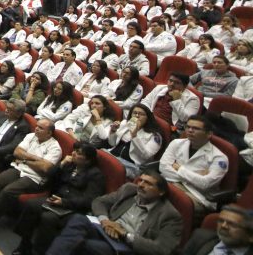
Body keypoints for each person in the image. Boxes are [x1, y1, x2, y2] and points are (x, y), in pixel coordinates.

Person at [46, 170, 183, 255]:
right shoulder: (130, 190)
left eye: (148, 183)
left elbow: (162, 250)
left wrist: (125, 234)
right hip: (106, 230)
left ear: (161, 192)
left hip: (127, 247)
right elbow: (99, 202)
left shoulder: (170, 215)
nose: (140, 185)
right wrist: (105, 221)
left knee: (80, 244)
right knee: (78, 219)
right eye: (140, 180)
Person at [12, 141, 106, 255]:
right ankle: (24, 245)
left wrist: (64, 202)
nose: (74, 154)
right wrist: (61, 165)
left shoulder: (96, 175)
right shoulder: (70, 165)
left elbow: (89, 200)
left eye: (79, 153)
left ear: (88, 160)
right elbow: (49, 176)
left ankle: (40, 251)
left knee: (48, 218)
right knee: (31, 205)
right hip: (56, 199)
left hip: (72, 208)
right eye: (74, 151)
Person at [0, 119, 63, 231]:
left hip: (34, 177)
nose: (36, 129)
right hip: (19, 168)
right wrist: (36, 158)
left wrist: (24, 160)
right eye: (37, 126)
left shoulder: (55, 148)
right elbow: (17, 152)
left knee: (7, 191)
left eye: (41, 128)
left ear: (49, 133)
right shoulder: (31, 136)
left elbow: (44, 167)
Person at [160, 115, 229, 222]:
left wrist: (179, 168)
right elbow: (163, 167)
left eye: (196, 128)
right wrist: (195, 175)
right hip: (171, 183)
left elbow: (205, 184)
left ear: (209, 134)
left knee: (164, 205)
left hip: (196, 196)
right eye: (188, 127)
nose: (190, 130)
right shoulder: (176, 143)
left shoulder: (219, 158)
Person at [107, 104, 163, 178]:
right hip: (112, 155)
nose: (137, 116)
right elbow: (112, 143)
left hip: (131, 165)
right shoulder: (125, 124)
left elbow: (146, 156)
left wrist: (134, 135)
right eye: (134, 113)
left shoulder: (155, 136)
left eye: (141, 114)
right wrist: (113, 131)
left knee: (109, 168)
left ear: (148, 118)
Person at [181, 204, 253, 255]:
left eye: (232, 224)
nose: (223, 226)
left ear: (250, 236)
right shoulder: (200, 237)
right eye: (221, 221)